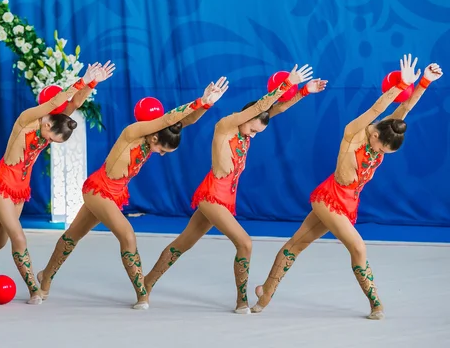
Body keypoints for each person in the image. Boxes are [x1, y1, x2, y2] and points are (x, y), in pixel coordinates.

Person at [250, 54, 443, 320]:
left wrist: (423, 83)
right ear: (375, 136)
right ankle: (376, 305)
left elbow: (404, 110)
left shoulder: (387, 129)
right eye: (381, 149)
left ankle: (265, 291)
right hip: (330, 198)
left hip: (349, 201)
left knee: (297, 244)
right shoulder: (354, 133)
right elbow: (376, 111)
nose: (381, 154)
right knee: (358, 247)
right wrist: (398, 86)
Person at [143, 65, 324, 314]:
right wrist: (286, 83)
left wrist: (304, 91)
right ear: (246, 117)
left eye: (257, 133)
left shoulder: (247, 132)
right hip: (212, 196)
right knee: (245, 243)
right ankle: (241, 302)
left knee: (183, 243)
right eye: (252, 129)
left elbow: (274, 110)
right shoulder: (226, 126)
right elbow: (260, 108)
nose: (253, 135)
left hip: (225, 198)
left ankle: (146, 283)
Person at [37, 77, 230, 310]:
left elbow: (181, 122)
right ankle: (142, 293)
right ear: (154, 136)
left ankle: (45, 276)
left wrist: (206, 105)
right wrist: (200, 99)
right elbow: (170, 118)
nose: (159, 154)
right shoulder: (133, 132)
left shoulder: (154, 137)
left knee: (73, 236)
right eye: (161, 149)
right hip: (99, 191)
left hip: (114, 194)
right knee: (127, 235)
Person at [0, 61, 115, 304]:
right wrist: (81, 79)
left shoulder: (53, 122)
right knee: (19, 237)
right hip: (1, 184)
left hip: (19, 190)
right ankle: (35, 289)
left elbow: (75, 103)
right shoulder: (25, 121)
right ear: (47, 121)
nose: (50, 142)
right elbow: (56, 103)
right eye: (52, 138)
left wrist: (93, 82)